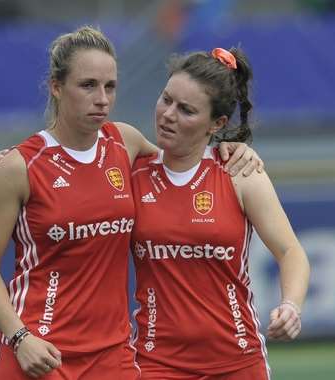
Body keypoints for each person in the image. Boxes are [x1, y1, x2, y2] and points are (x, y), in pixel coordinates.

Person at [0, 26, 264, 380]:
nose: (102, 98)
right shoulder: (20, 166)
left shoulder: (124, 141)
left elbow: (185, 165)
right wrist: (20, 338)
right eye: (88, 85)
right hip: (39, 351)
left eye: (110, 86)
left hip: (113, 358)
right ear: (56, 87)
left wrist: (227, 149)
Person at [129, 47, 310, 379]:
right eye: (166, 99)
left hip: (238, 362)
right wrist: (19, 162)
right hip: (156, 363)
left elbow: (291, 251)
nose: (168, 114)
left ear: (217, 123)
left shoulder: (241, 172)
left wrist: (291, 306)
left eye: (186, 110)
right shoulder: (131, 173)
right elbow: (70, 167)